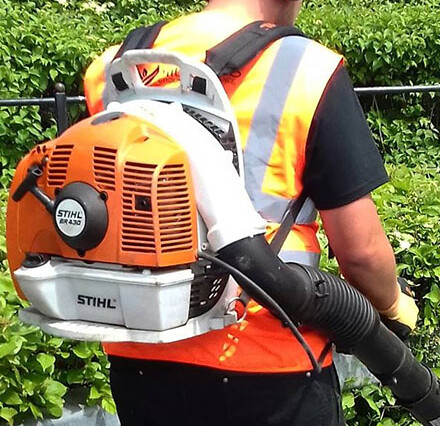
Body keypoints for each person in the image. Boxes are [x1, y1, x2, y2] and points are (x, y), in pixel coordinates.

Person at [83, 0, 419, 424]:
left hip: (142, 360)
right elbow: (362, 254)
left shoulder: (113, 68)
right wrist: (393, 305)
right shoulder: (307, 70)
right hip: (270, 365)